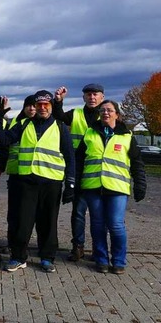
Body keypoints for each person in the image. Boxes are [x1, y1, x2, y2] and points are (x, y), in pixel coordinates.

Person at [0, 90, 75, 273]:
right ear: (35, 107)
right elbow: (3, 140)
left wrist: (70, 183)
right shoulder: (23, 125)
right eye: (40, 105)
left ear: (51, 107)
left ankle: (47, 258)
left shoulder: (60, 127)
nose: (43, 108)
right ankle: (18, 257)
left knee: (48, 222)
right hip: (26, 181)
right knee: (23, 221)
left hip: (51, 182)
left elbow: (70, 157)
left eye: (46, 105)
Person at [76, 100, 146, 274]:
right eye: (102, 110)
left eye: (109, 110)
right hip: (93, 187)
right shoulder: (89, 134)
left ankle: (119, 261)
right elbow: (79, 162)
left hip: (117, 188)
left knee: (116, 225)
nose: (105, 113)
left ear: (117, 114)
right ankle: (101, 260)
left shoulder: (127, 136)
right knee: (98, 225)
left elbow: (137, 164)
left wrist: (140, 185)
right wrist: (75, 185)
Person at [53, 83, 104, 262]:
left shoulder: (106, 115)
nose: (92, 97)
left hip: (99, 172)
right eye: (88, 94)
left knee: (99, 216)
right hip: (79, 170)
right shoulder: (76, 114)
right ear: (83, 97)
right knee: (78, 212)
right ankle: (78, 247)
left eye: (95, 94)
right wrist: (58, 101)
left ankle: (99, 250)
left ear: (101, 97)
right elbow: (58, 116)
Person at [4, 95, 36, 250]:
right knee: (14, 214)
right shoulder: (17, 123)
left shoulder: (42, 125)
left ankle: (23, 244)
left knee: (28, 214)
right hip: (16, 173)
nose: (31, 109)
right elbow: (6, 144)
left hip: (33, 174)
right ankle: (12, 244)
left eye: (34, 106)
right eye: (28, 106)